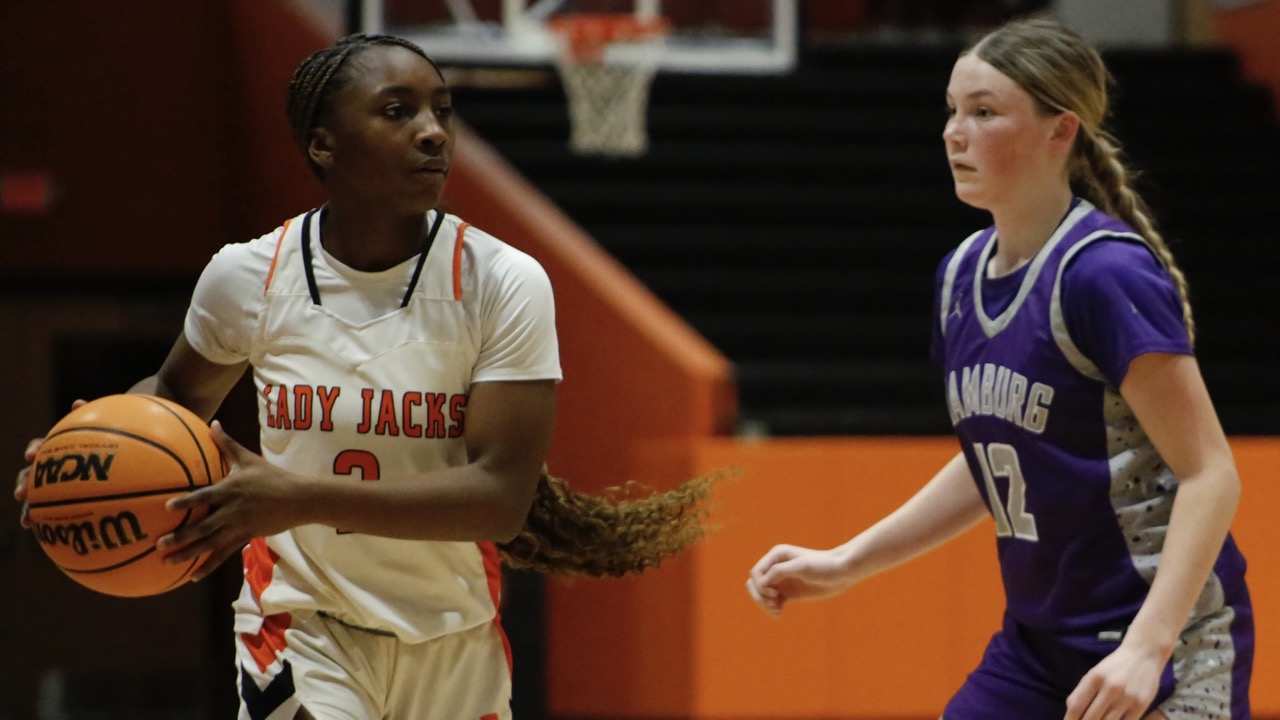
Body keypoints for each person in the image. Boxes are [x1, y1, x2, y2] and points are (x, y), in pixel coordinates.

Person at [15, 33, 715, 720]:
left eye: (442, 110)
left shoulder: (502, 281)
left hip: (453, 639)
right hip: (301, 625)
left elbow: (500, 498)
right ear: (324, 145)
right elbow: (172, 397)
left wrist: (298, 498)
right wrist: (93, 448)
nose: (433, 132)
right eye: (397, 110)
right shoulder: (249, 275)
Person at [746, 17, 1252, 720]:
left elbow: (1210, 473)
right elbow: (998, 453)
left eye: (984, 113)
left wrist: (1148, 646)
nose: (955, 133)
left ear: (1060, 130)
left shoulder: (1103, 273)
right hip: (1039, 643)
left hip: (1159, 639)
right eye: (952, 110)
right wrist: (848, 562)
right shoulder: (960, 276)